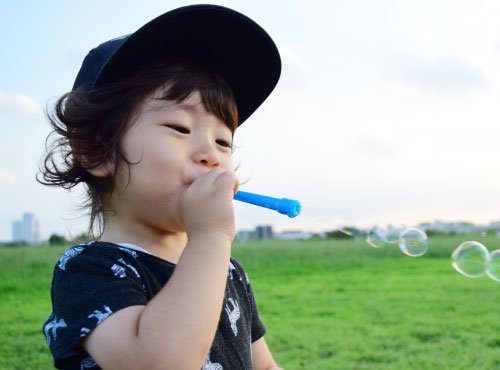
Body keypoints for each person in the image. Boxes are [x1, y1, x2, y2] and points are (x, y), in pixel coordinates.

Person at [39, 5, 283, 370]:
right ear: (96, 151)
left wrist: (211, 245)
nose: (211, 156)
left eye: (223, 141)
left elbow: (262, 365)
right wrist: (211, 236)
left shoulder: (228, 270)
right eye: (180, 128)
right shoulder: (89, 270)